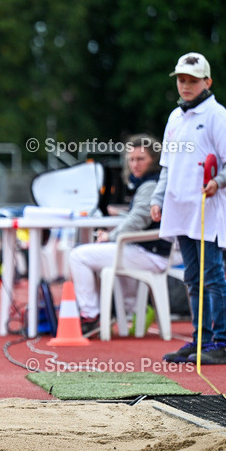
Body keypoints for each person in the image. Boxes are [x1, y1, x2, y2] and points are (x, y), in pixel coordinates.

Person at [151, 53, 226, 365]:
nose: (186, 85)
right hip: (180, 208)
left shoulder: (218, 115)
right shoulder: (175, 117)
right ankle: (200, 340)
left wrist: (218, 181)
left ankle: (223, 343)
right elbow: (166, 167)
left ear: (207, 82)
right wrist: (157, 199)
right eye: (181, 80)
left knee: (212, 275)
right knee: (192, 275)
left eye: (192, 80)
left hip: (206, 207)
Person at [69, 135, 172, 336]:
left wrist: (111, 236)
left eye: (141, 159)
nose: (135, 164)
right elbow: (143, 215)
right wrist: (122, 218)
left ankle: (91, 315)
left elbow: (139, 220)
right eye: (131, 159)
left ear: (154, 160)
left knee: (78, 256)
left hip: (151, 252)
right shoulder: (150, 183)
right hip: (150, 249)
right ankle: (133, 310)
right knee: (103, 253)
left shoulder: (151, 185)